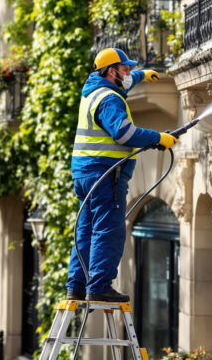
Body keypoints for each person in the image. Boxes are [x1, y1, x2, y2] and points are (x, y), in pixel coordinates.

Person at [68, 48, 178, 302]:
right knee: (109, 230)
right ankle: (99, 287)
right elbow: (124, 134)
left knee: (85, 231)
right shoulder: (109, 99)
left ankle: (77, 285)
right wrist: (158, 137)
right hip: (106, 175)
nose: (128, 73)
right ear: (111, 71)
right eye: (125, 69)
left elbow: (122, 86)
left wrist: (142, 75)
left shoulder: (94, 92)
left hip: (86, 175)